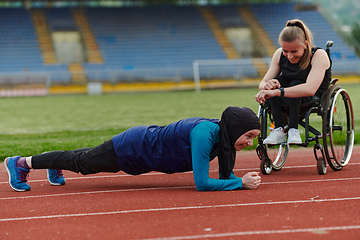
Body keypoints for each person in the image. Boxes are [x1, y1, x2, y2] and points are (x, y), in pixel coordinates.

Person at [5, 106, 261, 192]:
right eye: (248, 135)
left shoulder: (225, 137)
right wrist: (239, 184)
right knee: (83, 163)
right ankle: (20, 163)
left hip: (143, 151)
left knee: (83, 157)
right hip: (134, 148)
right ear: (235, 127)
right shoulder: (205, 134)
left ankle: (55, 163)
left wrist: (235, 180)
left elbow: (225, 177)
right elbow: (203, 183)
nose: (249, 142)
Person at [255, 19, 331, 145]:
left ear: (305, 44)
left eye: (294, 51)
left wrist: (277, 92)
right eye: (285, 50)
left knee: (295, 83)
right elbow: (262, 83)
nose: (289, 56)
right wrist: (267, 86)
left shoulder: (319, 55)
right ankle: (278, 129)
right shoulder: (279, 54)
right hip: (284, 95)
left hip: (310, 97)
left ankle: (293, 130)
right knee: (274, 83)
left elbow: (309, 89)